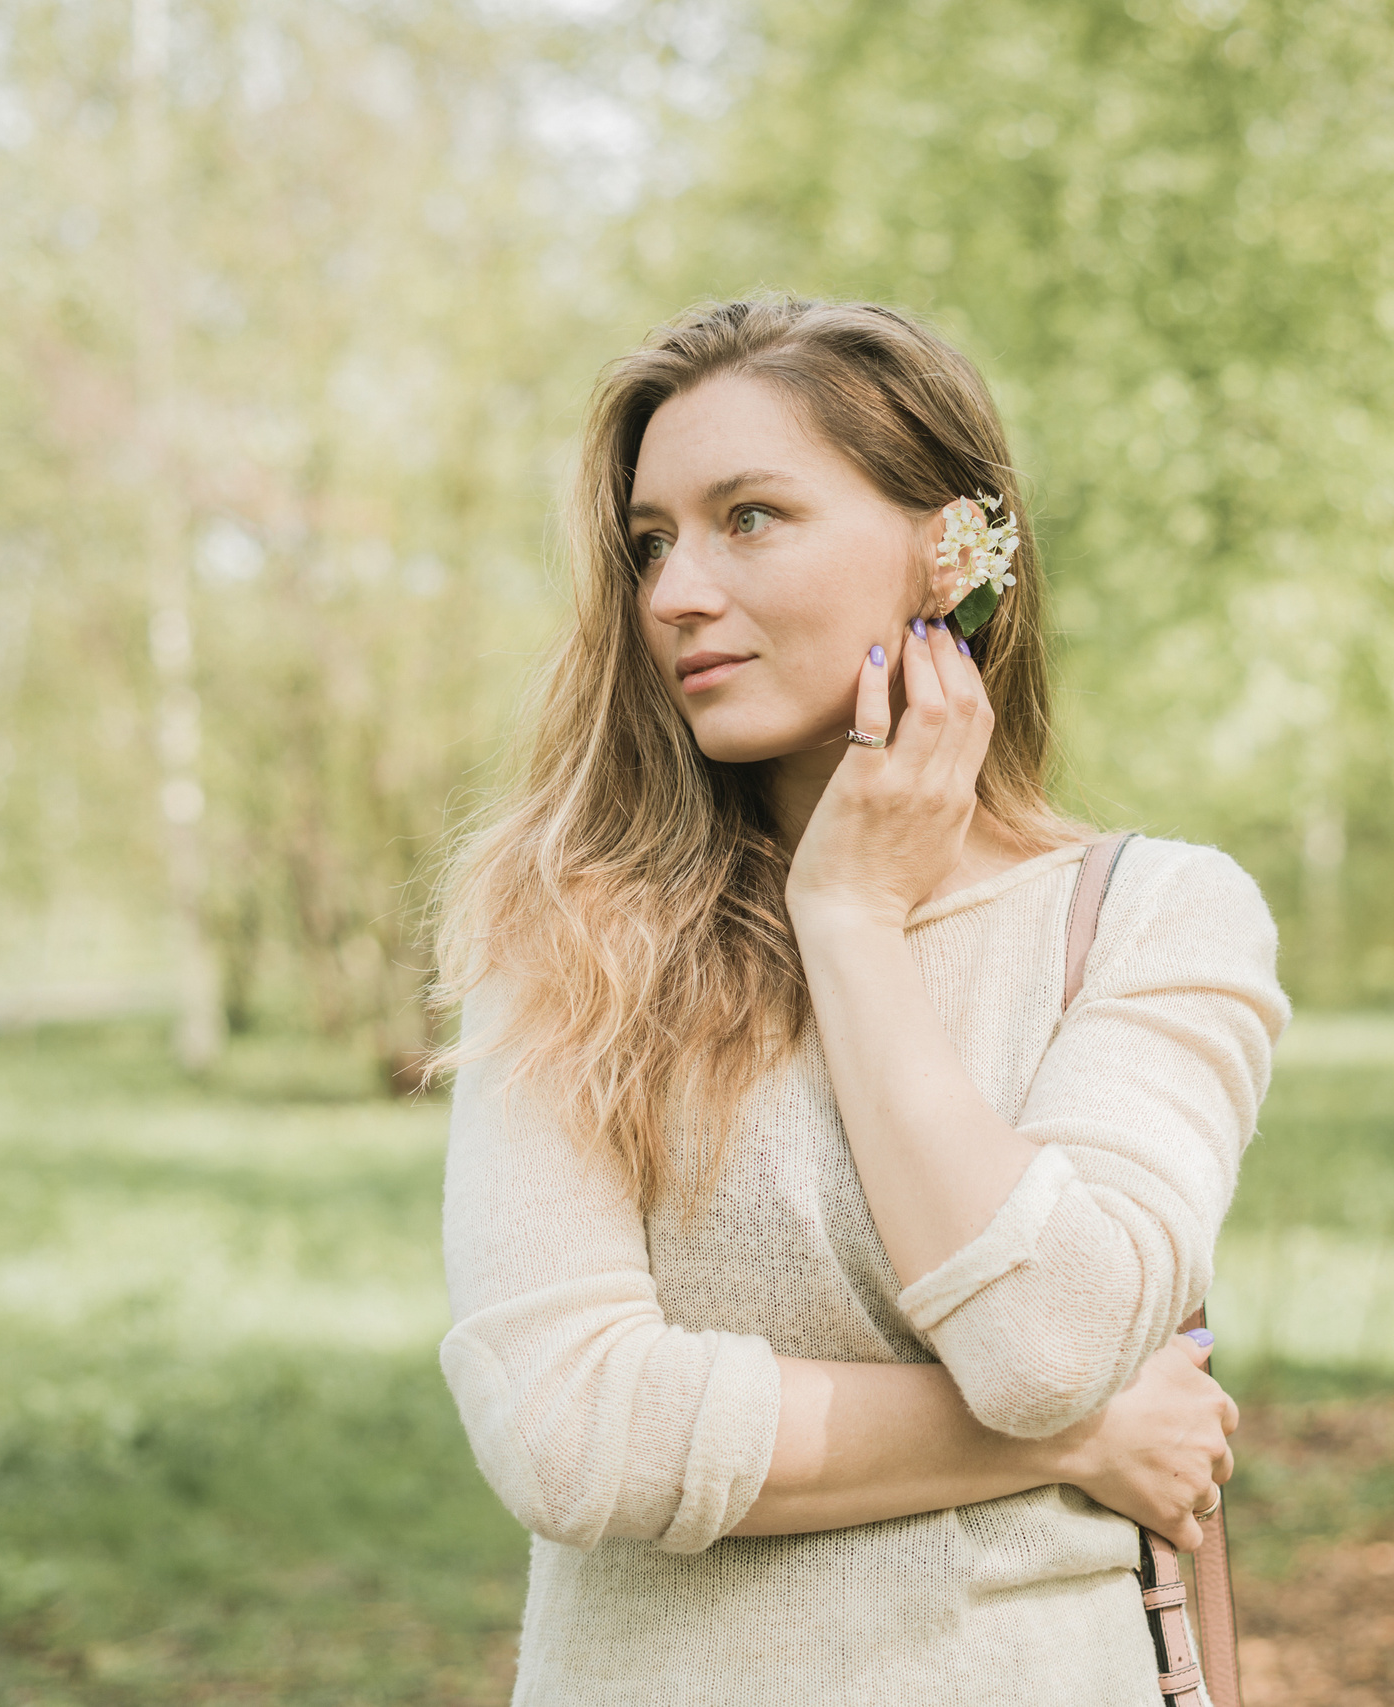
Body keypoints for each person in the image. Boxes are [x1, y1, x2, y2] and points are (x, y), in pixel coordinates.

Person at [434, 297, 1288, 1704]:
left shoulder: (1157, 917)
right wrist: (1067, 1442)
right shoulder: (571, 936)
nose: (674, 592)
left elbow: (1050, 1340)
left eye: (751, 517)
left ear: (952, 547)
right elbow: (570, 1428)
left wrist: (849, 919)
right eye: (650, 542)